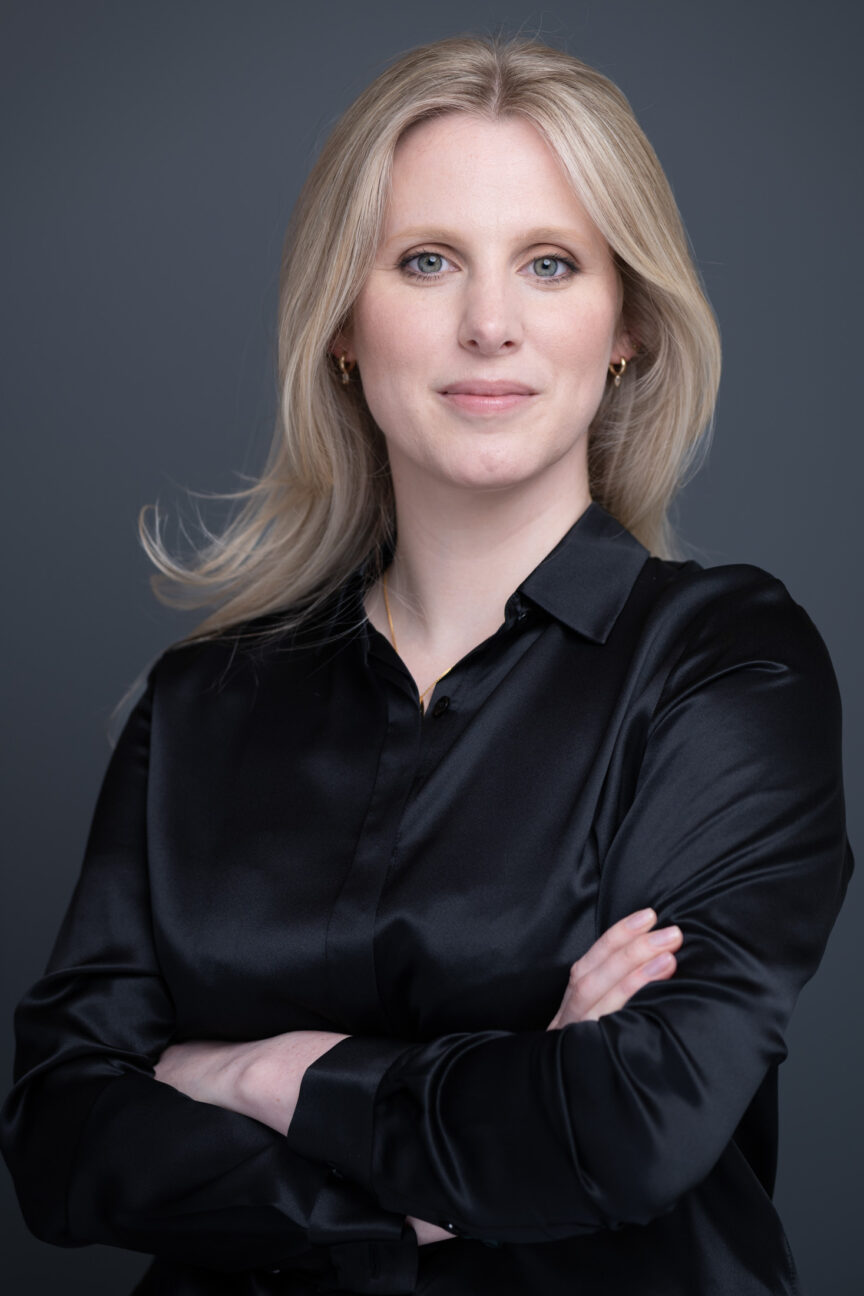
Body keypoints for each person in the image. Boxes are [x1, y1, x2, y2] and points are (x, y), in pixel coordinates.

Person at [0, 33, 854, 1296]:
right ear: (345, 324)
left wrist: (259, 1074)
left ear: (626, 329)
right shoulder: (202, 702)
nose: (490, 324)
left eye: (551, 264)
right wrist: (453, 1162)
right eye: (427, 260)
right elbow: (63, 1132)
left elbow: (633, 1119)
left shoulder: (726, 663)